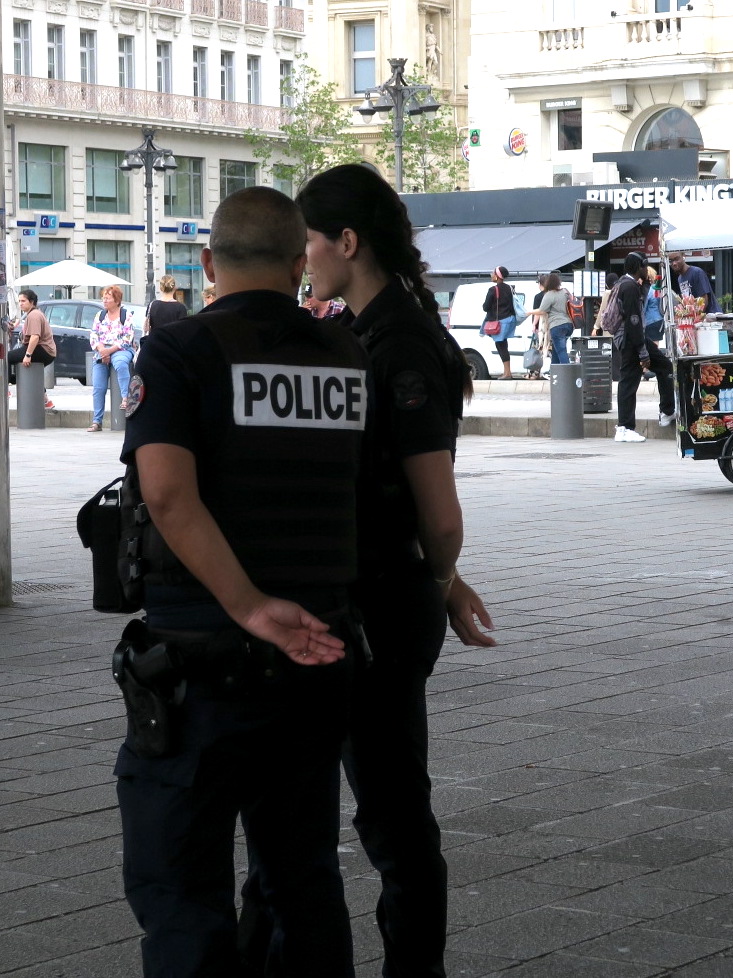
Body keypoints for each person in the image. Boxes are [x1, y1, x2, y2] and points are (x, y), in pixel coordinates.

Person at [114, 186, 367, 978]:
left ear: (206, 263)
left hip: (201, 660)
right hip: (316, 652)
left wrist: (249, 605)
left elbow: (164, 493)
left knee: (181, 888)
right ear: (299, 264)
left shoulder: (181, 351)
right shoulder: (344, 355)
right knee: (301, 879)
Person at [281, 160, 495, 978]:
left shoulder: (396, 343)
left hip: (380, 600)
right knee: (369, 797)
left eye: (310, 242)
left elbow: (436, 508)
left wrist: (438, 578)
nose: (304, 260)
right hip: (380, 587)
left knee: (390, 808)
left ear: (346, 240)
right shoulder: (377, 329)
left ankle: (416, 966)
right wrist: (442, 574)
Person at [609, 252, 650, 443]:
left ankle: (625, 426)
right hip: (629, 340)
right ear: (638, 266)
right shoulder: (630, 287)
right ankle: (625, 427)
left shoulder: (623, 284)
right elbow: (634, 320)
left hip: (623, 339)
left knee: (628, 382)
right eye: (644, 265)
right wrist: (642, 352)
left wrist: (646, 284)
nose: (646, 269)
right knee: (628, 383)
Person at [88, 284, 136, 432]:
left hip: (121, 349)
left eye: (108, 298)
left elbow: (128, 337)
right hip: (102, 350)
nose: (104, 300)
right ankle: (97, 421)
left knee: (120, 363)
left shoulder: (125, 315)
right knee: (98, 387)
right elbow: (93, 334)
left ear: (117, 300)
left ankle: (125, 397)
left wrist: (110, 350)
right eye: (104, 297)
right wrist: (101, 349)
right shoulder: (100, 315)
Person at [641, 260, 677, 426]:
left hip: (649, 321)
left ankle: (647, 369)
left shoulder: (648, 291)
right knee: (654, 347)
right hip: (659, 320)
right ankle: (648, 368)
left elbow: (644, 307)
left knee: (652, 347)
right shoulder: (658, 290)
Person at [13, 288, 56, 409]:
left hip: (42, 349)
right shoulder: (31, 314)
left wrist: (28, 355)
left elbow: (35, 337)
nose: (20, 304)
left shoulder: (34, 315)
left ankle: (5, 388)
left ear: (31, 302)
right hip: (46, 351)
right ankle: (46, 400)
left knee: (7, 358)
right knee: (30, 372)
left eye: (23, 301)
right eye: (19, 301)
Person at [481, 265, 518, 380]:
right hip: (510, 319)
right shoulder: (510, 288)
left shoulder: (493, 290)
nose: (491, 275)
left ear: (497, 277)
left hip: (500, 322)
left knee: (500, 346)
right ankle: (507, 372)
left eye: (493, 273)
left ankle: (507, 373)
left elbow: (485, 307)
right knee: (504, 345)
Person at [529, 271, 573, 370]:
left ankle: (568, 373)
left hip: (557, 325)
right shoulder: (565, 292)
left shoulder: (549, 295)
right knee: (557, 349)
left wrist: (529, 313)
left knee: (561, 350)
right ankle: (554, 371)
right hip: (569, 325)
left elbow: (542, 310)